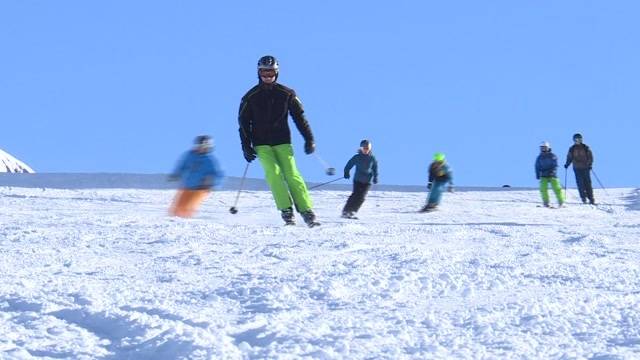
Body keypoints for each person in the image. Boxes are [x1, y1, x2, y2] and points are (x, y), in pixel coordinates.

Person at [237, 55, 319, 227]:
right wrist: (246, 146)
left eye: (271, 73)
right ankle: (286, 210)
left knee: (292, 174)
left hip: (282, 141)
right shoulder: (250, 97)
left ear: (277, 73)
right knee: (274, 174)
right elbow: (243, 123)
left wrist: (309, 139)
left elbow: (300, 118)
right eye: (264, 73)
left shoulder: (287, 93)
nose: (268, 77)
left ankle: (306, 211)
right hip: (261, 144)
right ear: (258, 73)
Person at [169, 135, 224, 217]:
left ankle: (185, 220)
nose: (202, 149)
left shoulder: (209, 160)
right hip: (187, 186)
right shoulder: (190, 156)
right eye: (200, 146)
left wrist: (212, 183)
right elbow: (182, 166)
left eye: (205, 147)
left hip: (200, 188)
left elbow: (217, 174)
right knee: (177, 208)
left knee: (187, 207)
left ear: (209, 147)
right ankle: (172, 220)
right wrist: (176, 174)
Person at [342, 139, 379, 219]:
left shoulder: (372, 158)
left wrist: (375, 177)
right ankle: (346, 211)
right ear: (361, 148)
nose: (365, 150)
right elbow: (349, 165)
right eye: (364, 148)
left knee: (361, 197)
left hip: (367, 181)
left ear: (369, 149)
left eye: (367, 149)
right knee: (355, 195)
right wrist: (346, 172)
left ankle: (353, 211)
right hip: (358, 180)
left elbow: (375, 168)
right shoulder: (357, 157)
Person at [564, 133, 595, 204]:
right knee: (580, 183)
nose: (577, 141)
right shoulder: (572, 149)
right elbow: (569, 157)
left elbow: (590, 157)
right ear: (574, 140)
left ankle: (591, 198)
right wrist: (567, 164)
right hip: (577, 168)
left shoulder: (585, 147)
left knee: (587, 183)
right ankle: (583, 197)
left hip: (585, 167)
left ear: (581, 139)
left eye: (579, 139)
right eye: (576, 139)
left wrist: (590, 164)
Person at [535, 141, 564, 208]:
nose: (543, 149)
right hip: (543, 175)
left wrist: (553, 172)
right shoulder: (539, 157)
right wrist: (537, 174)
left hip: (552, 175)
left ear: (548, 148)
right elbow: (537, 166)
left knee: (557, 188)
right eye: (542, 148)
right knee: (543, 188)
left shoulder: (552, 155)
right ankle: (546, 202)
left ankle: (561, 202)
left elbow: (555, 165)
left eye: (544, 148)